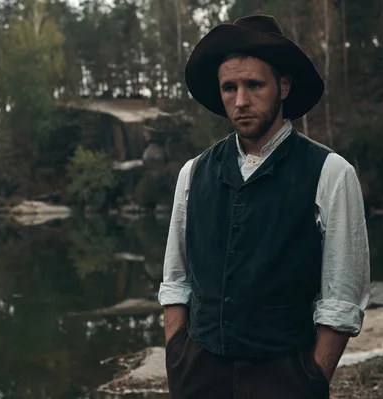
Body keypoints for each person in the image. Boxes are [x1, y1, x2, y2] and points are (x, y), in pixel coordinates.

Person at [158, 14, 371, 399]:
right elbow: (176, 280)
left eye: (254, 84)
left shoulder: (331, 173)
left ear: (283, 86)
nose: (240, 101)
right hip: (198, 375)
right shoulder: (193, 173)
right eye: (229, 87)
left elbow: (343, 296)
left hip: (285, 380)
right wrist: (178, 355)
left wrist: (311, 377)